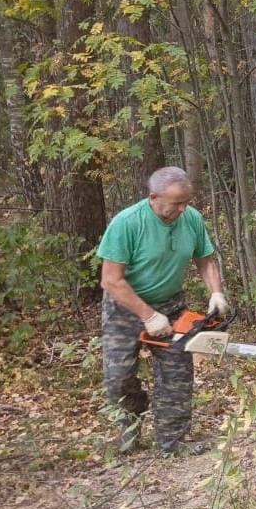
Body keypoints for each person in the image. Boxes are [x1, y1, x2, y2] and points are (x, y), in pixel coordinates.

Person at [97, 166, 229, 455]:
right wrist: (147, 315)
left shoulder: (191, 219)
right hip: (125, 308)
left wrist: (216, 292)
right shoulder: (127, 223)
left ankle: (173, 441)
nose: (182, 209)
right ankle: (129, 429)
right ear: (153, 197)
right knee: (118, 378)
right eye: (176, 203)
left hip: (171, 305)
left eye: (186, 202)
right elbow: (110, 280)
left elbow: (205, 260)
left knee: (176, 375)